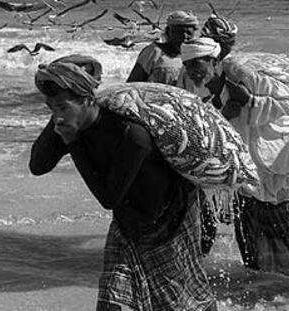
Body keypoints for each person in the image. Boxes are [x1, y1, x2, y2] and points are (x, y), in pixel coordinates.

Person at [30, 56, 217, 310]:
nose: (58, 115)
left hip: (171, 219)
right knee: (112, 304)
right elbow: (38, 166)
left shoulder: (131, 133)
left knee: (184, 303)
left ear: (86, 100)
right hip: (128, 225)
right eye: (51, 108)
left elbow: (108, 198)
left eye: (63, 107)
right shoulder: (69, 120)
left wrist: (73, 142)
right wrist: (57, 125)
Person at [178, 38, 289, 275]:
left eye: (197, 64)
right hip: (248, 152)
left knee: (269, 213)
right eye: (188, 65)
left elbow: (286, 103)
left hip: (274, 145)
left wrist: (250, 101)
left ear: (214, 61)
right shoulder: (202, 84)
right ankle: (258, 272)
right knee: (246, 215)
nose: (192, 71)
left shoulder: (241, 74)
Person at [126, 10, 199, 85]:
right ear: (168, 32)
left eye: (189, 33)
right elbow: (132, 84)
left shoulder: (196, 57)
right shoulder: (154, 52)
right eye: (178, 32)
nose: (184, 37)